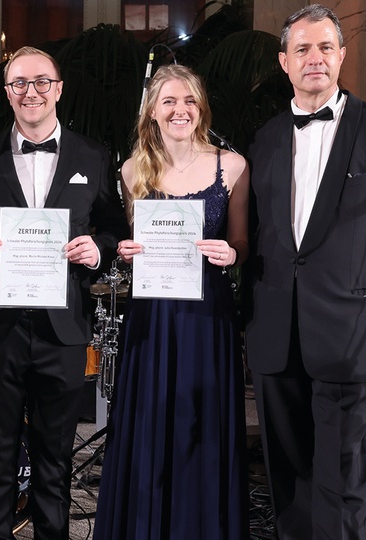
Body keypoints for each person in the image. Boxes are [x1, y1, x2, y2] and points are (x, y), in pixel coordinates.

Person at [246, 5, 366, 539]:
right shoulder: (263, 139)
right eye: (302, 49)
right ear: (285, 61)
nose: (315, 58)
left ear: (342, 56)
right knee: (286, 474)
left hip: (353, 336)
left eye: (326, 47)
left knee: (343, 476)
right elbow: (256, 236)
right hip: (275, 334)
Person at [0, 46, 127, 539]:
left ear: (58, 88)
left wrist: (97, 249)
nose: (30, 92)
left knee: (55, 459)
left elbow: (116, 229)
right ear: (7, 91)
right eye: (19, 83)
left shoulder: (94, 155)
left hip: (64, 327)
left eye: (40, 82)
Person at [92, 64, 250, 539]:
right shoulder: (131, 170)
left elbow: (244, 246)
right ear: (153, 111)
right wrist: (126, 252)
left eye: (189, 101)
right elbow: (132, 247)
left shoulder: (234, 165)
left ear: (200, 108)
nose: (180, 109)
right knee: (151, 419)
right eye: (169, 101)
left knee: (204, 423)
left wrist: (232, 253)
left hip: (209, 316)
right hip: (153, 316)